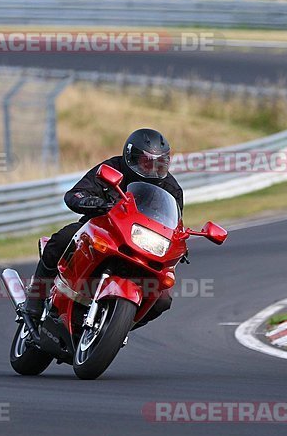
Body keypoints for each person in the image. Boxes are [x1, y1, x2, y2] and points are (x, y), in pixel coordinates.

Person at [24, 128, 183, 327]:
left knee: (163, 299)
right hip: (101, 229)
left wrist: (180, 245)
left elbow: (176, 225)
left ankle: (117, 327)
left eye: (160, 163)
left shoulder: (171, 188)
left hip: (142, 244)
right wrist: (95, 203)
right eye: (147, 161)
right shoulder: (112, 168)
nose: (153, 168)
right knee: (63, 238)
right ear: (131, 156)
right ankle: (35, 299)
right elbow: (76, 194)